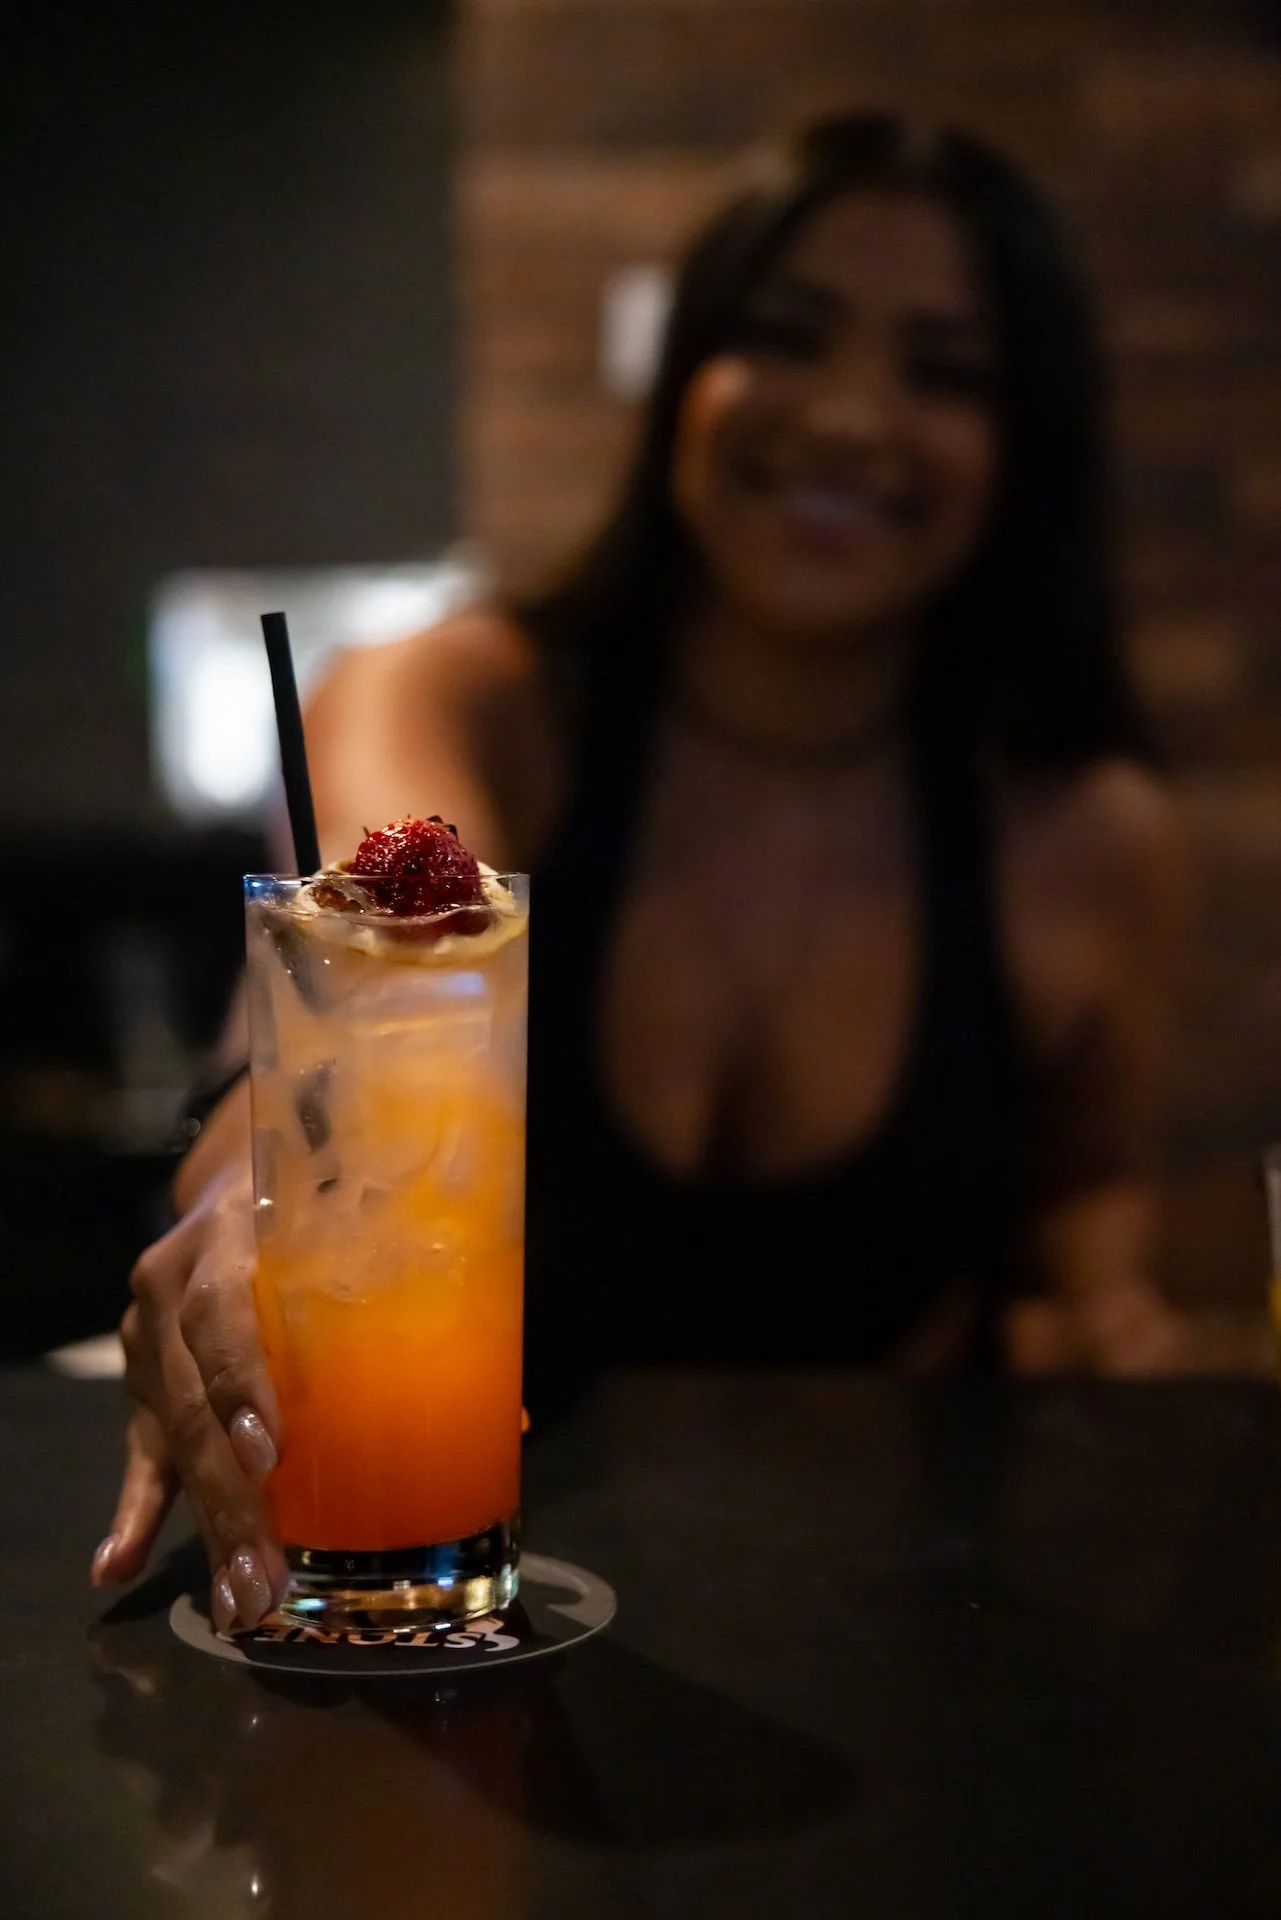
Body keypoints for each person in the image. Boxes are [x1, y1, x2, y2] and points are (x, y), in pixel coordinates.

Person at [94, 111, 1191, 1631]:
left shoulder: (1084, 841)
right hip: (483, 1616)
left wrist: (1102, 1317)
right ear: (685, 378)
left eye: (946, 373)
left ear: (1029, 450)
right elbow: (333, 1045)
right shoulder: (460, 707)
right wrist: (240, 1217)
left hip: (891, 1650)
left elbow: (1083, 1202)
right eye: (787, 337)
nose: (852, 416)